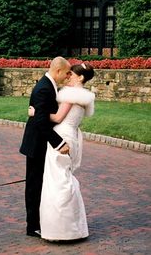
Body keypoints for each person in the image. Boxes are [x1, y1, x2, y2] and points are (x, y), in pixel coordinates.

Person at [34, 62, 95, 241]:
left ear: (81, 78)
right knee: (65, 178)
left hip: (61, 136)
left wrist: (36, 112)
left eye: (72, 74)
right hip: (73, 137)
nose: (68, 76)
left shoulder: (70, 95)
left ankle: (59, 229)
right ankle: (73, 227)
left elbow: (57, 117)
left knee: (57, 181)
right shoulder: (85, 97)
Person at [19, 56, 72, 237]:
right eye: (66, 73)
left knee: (41, 183)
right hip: (36, 143)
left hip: (41, 142)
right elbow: (41, 121)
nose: (67, 76)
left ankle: (39, 221)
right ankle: (32, 225)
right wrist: (59, 142)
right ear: (58, 71)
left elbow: (42, 114)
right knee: (34, 185)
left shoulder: (49, 86)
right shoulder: (43, 88)